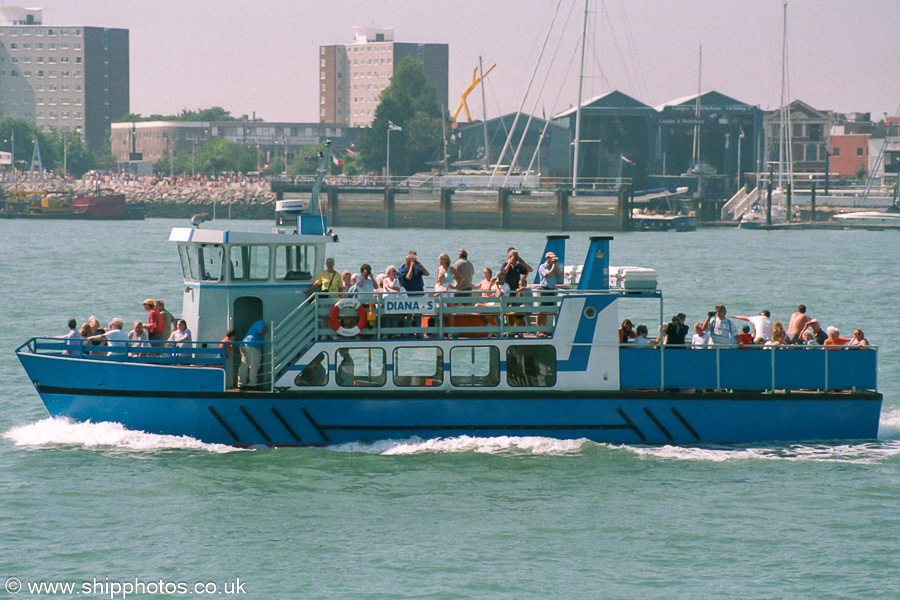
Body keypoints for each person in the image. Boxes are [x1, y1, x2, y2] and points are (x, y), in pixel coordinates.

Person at [536, 251, 563, 335]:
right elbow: (549, 274)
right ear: (547, 258)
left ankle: (544, 329)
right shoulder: (543, 266)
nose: (554, 259)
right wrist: (554, 266)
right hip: (545, 290)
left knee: (548, 311)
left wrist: (556, 266)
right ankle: (539, 330)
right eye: (552, 258)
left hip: (552, 290)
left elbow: (560, 275)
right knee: (541, 311)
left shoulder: (553, 266)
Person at [239, 319, 268, 389]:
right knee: (254, 365)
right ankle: (252, 384)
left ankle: (241, 384)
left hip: (244, 345)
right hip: (253, 345)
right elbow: (260, 330)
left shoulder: (254, 325)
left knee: (244, 365)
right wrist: (266, 329)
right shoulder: (261, 322)